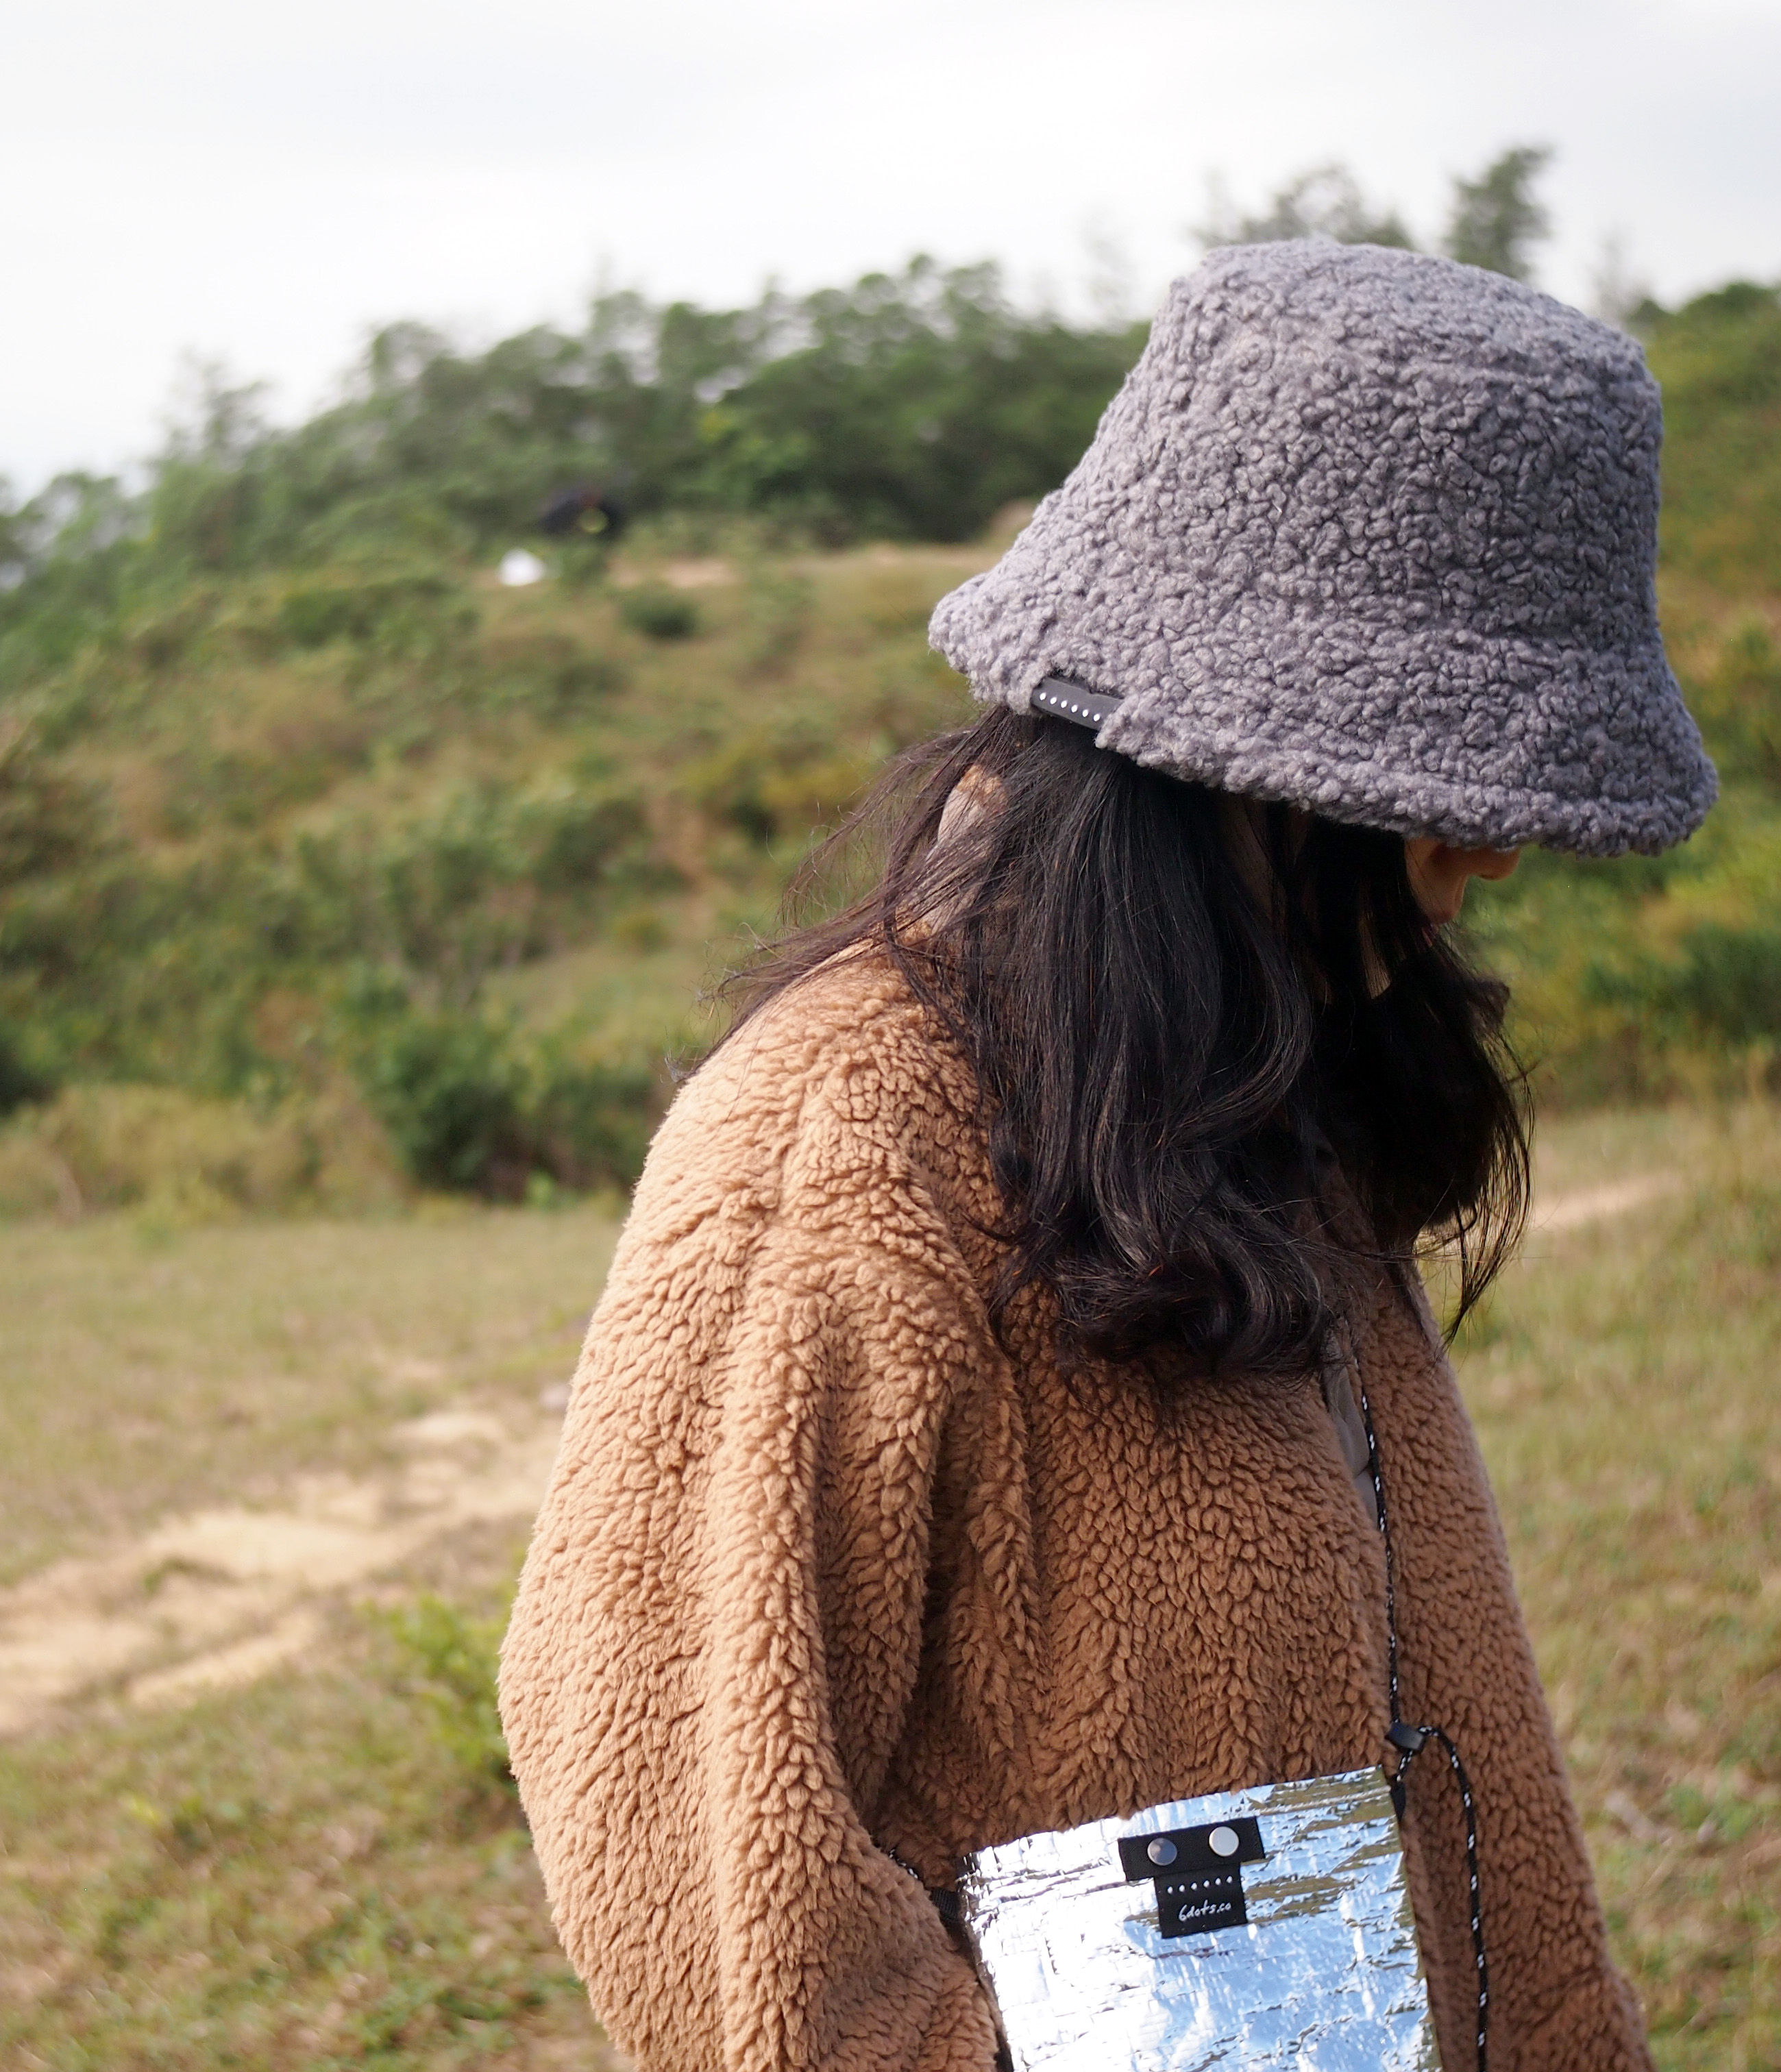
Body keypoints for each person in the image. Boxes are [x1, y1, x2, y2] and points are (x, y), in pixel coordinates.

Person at [500, 241, 1717, 2072]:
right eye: (1448, 786)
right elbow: (679, 1817)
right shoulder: (843, 1141)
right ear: (1249, 761)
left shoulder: (1271, 1083)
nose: (1502, 854)